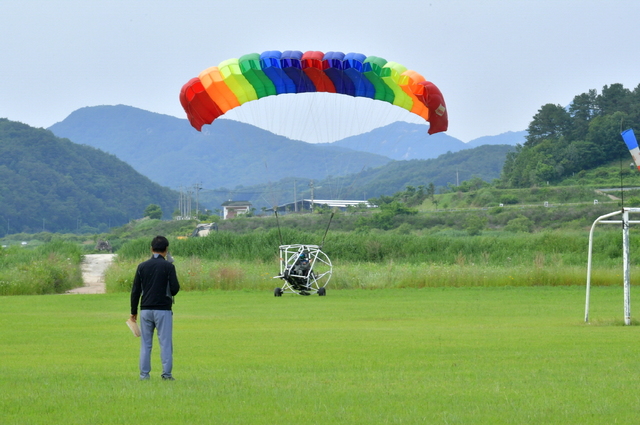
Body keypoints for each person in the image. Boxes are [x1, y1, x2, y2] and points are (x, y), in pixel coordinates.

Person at [130, 235, 180, 381]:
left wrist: (133, 312)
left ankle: (144, 375)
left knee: (146, 343)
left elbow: (135, 291)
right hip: (163, 310)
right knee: (165, 343)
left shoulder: (142, 266)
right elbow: (175, 289)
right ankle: (166, 374)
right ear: (166, 250)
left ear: (151, 249)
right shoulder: (169, 266)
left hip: (145, 309)